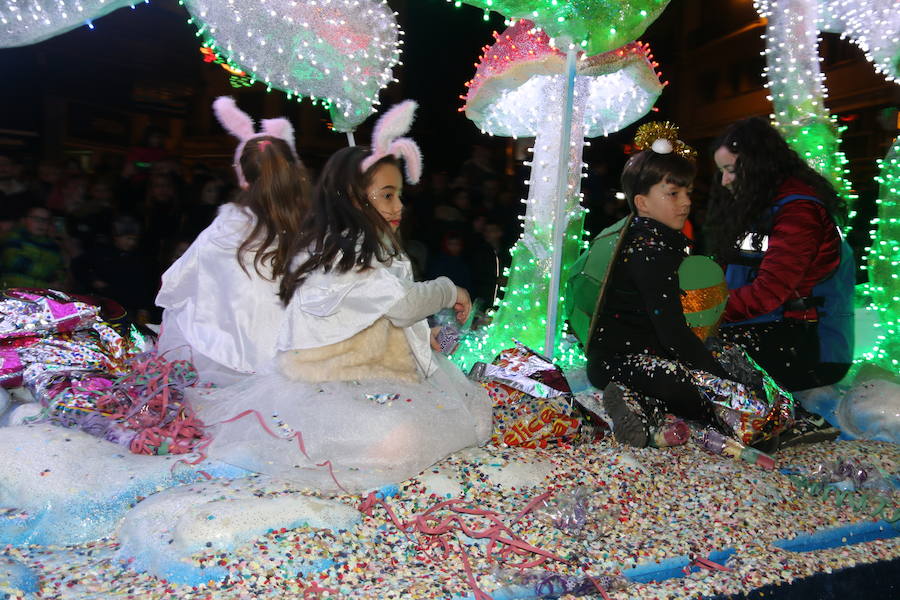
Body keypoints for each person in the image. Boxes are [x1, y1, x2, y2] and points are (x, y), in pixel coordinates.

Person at [188, 101, 492, 492]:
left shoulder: (369, 244)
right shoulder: (347, 252)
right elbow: (401, 305)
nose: (399, 206)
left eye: (398, 195)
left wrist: (424, 339)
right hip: (335, 384)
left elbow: (382, 313)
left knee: (447, 418)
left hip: (371, 372)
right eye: (386, 196)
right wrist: (450, 289)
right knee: (410, 437)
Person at [582, 123, 793, 450]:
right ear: (642, 202)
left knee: (727, 354)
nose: (685, 202)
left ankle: (643, 403)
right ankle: (753, 420)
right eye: (672, 193)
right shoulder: (647, 251)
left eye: (688, 192)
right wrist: (722, 380)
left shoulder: (656, 241)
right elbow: (674, 335)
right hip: (621, 361)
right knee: (695, 383)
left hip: (640, 355)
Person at [709, 117, 848, 444]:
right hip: (775, 330)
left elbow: (767, 293)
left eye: (731, 169)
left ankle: (795, 421)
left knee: (709, 354)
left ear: (757, 164)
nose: (725, 181)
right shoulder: (764, 205)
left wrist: (703, 313)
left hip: (811, 346)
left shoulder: (798, 211)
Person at [155, 96, 310, 386]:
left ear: (244, 179)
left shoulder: (227, 226)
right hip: (294, 361)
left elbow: (177, 281)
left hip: (222, 360)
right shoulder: (313, 228)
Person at [0, 205, 68, 290]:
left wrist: (58, 281)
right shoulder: (14, 239)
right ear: (24, 220)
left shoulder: (53, 246)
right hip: (13, 292)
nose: (41, 223)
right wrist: (48, 276)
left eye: (46, 220)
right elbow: (14, 261)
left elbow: (61, 271)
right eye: (36, 219)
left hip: (43, 294)